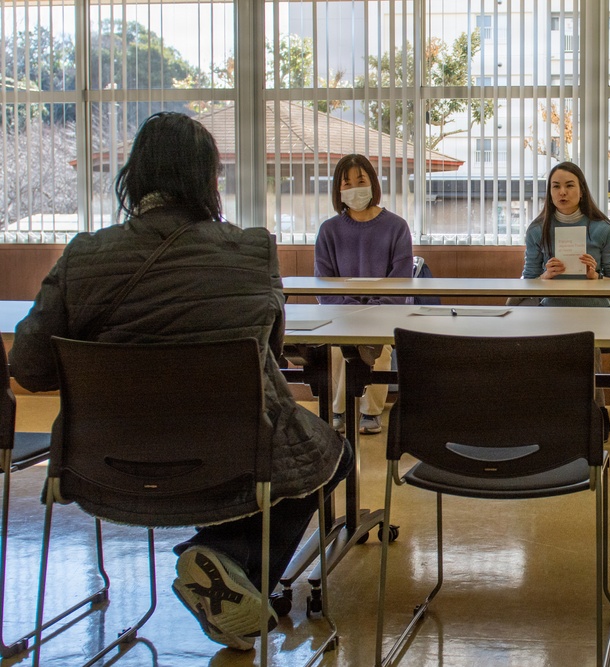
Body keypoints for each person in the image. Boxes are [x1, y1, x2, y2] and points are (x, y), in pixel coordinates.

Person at [8, 111, 352, 652]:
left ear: (134, 176)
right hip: (229, 464)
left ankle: (227, 575)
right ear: (209, 180)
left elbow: (28, 367)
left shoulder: (82, 256)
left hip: (102, 467)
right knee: (334, 454)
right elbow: (270, 349)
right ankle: (230, 558)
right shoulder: (251, 251)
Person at [521, 161, 610, 438]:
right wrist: (545, 276)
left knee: (587, 347)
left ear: (581, 191)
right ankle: (553, 416)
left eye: (569, 186)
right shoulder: (537, 229)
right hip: (552, 309)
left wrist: (596, 277)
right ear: (549, 192)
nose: (562, 192)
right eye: (556, 186)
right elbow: (527, 281)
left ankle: (595, 415)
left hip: (594, 310)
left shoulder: (602, 229)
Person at [314, 153, 413, 435]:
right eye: (348, 183)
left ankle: (371, 412)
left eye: (361, 180)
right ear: (338, 189)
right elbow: (323, 282)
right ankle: (338, 408)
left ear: (373, 184)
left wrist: (373, 310)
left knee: (376, 348)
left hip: (383, 313)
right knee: (335, 349)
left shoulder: (396, 227)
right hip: (339, 315)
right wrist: (348, 310)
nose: (355, 188)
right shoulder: (328, 230)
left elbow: (401, 279)